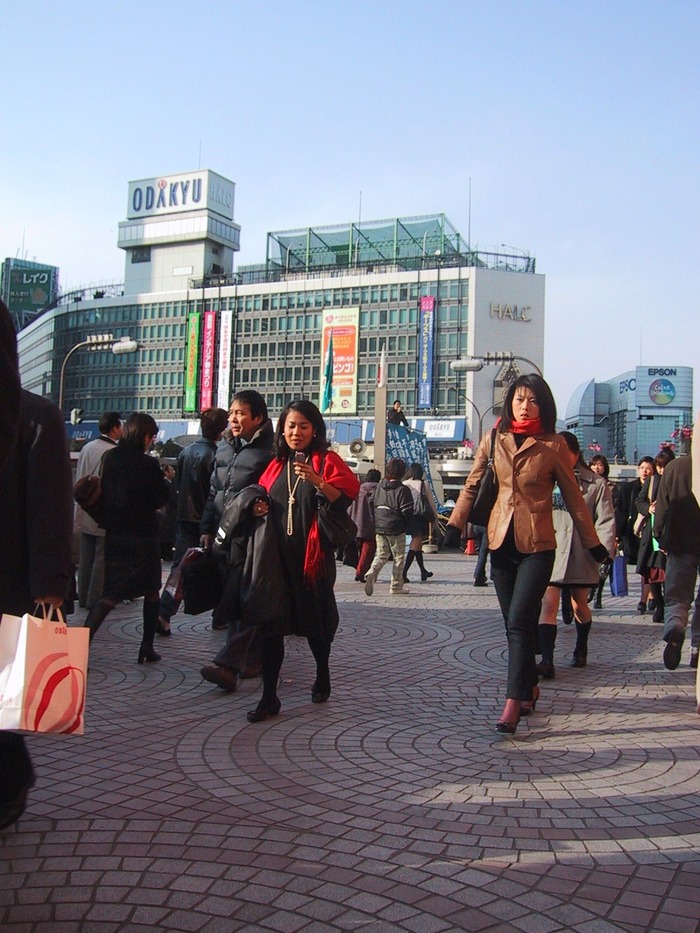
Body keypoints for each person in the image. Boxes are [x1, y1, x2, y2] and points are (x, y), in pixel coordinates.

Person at [444, 374, 608, 734]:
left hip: (538, 546)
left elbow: (575, 499)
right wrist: (456, 524)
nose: (525, 406)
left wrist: (593, 542)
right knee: (511, 625)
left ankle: (512, 702)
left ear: (543, 405)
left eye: (532, 400)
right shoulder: (493, 438)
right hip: (500, 543)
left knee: (520, 619)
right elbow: (473, 483)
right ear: (510, 403)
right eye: (519, 399)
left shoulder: (553, 446)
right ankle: (530, 684)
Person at [0, 299, 74, 829]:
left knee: (5, 697)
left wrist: (50, 589)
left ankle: (11, 778)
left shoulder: (35, 416)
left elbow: (49, 511)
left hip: (8, 583)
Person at [239, 400, 359, 721]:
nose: (296, 432)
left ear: (315, 430)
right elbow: (260, 495)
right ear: (282, 430)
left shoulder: (325, 460)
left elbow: (347, 495)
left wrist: (318, 481)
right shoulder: (276, 464)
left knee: (316, 624)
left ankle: (322, 673)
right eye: (291, 426)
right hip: (277, 561)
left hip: (312, 561)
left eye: (304, 426)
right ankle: (269, 697)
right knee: (271, 626)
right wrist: (257, 508)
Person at [198, 392, 275, 691]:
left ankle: (229, 664)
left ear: (258, 418)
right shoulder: (224, 448)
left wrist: (259, 505)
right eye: (231, 413)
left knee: (245, 596)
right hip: (224, 535)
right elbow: (214, 492)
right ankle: (252, 660)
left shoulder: (271, 451)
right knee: (235, 598)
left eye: (240, 413)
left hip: (255, 536)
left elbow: (275, 492)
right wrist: (207, 526)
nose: (233, 419)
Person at [84, 413, 171, 663]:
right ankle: (146, 646)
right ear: (146, 436)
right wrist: (165, 481)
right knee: (152, 591)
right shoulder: (148, 465)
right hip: (143, 537)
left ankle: (80, 645)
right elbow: (161, 498)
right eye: (152, 437)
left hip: (115, 535)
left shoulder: (110, 458)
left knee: (109, 594)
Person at [537, 433, 615, 678]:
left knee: (579, 604)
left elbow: (606, 521)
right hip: (552, 550)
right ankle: (547, 660)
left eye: (563, 451)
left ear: (575, 452)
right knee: (548, 604)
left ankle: (581, 646)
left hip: (582, 552)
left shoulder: (596, 483)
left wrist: (604, 554)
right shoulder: (546, 479)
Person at [156, 406, 229, 634]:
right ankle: (220, 616)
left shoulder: (186, 452)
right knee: (222, 567)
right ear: (222, 429)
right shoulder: (219, 455)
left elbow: (178, 487)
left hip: (185, 518)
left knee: (179, 568)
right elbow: (216, 493)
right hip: (209, 521)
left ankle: (164, 612)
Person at [652, 453, 700, 670]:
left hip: (679, 540)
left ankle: (675, 627)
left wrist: (659, 533)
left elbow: (662, 503)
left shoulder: (674, 467)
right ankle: (697, 648)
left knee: (677, 596)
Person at [74, 411, 122, 610]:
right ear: (114, 428)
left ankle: (82, 596)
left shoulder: (87, 448)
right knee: (101, 557)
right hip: (101, 509)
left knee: (85, 557)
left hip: (84, 507)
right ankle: (95, 599)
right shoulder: (112, 452)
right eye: (120, 426)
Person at [364, 458, 414, 596]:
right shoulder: (402, 490)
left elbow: (372, 503)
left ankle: (372, 571)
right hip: (397, 528)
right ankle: (396, 586)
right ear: (402, 472)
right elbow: (407, 511)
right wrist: (408, 524)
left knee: (381, 555)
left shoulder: (379, 488)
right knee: (398, 557)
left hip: (380, 526)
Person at [635, 449, 675, 624]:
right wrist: (648, 508)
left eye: (664, 466)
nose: (661, 470)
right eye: (659, 466)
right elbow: (640, 501)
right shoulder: (651, 482)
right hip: (652, 536)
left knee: (668, 574)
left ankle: (667, 607)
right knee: (652, 574)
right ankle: (659, 605)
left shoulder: (676, 481)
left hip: (671, 534)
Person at [614, 456, 656, 613]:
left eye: (648, 468)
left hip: (649, 534)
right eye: (642, 468)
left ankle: (647, 598)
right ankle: (649, 596)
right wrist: (617, 534)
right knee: (642, 567)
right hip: (632, 534)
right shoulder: (628, 489)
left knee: (648, 566)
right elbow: (621, 512)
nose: (645, 471)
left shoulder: (657, 488)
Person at [402, 462, 438, 582]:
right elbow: (431, 502)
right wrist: (435, 517)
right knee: (416, 542)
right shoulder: (423, 484)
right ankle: (404, 572)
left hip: (406, 516)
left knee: (418, 545)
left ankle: (423, 571)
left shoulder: (404, 483)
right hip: (418, 516)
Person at [587, 453, 614, 609]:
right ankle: (590, 588)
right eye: (594, 464)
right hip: (589, 529)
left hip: (604, 528)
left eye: (600, 465)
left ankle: (597, 594)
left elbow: (612, 512)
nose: (597, 468)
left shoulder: (611, 486)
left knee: (603, 566)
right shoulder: (586, 484)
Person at [348, 468, 381, 582]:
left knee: (361, 549)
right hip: (370, 525)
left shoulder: (358, 488)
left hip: (355, 522)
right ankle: (360, 573)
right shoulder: (378, 489)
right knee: (368, 550)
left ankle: (361, 570)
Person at [157, 463, 178, 561]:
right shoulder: (166, 483)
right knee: (167, 534)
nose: (174, 472)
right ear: (166, 472)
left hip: (170, 513)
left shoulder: (171, 483)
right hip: (168, 513)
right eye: (171, 470)